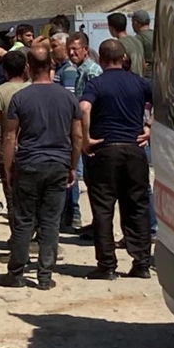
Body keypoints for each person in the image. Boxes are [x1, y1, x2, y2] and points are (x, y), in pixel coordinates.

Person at [0, 45, 83, 290]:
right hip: (57, 164)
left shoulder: (20, 97)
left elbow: (9, 137)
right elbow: (77, 136)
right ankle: (45, 276)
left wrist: (8, 168)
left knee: (24, 221)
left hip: (28, 163)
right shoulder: (68, 97)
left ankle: (15, 273)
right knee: (50, 222)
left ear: (28, 68)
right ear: (51, 66)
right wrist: (73, 166)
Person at [80, 39, 154, 280]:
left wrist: (86, 137)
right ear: (123, 58)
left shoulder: (96, 83)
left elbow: (83, 108)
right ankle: (141, 263)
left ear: (100, 60)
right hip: (134, 150)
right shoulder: (138, 82)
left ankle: (107, 265)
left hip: (105, 150)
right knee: (137, 207)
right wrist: (150, 126)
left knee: (103, 209)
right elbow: (164, 101)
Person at [63, 32, 103, 230]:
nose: (71, 53)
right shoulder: (80, 71)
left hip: (92, 133)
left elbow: (93, 106)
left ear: (85, 50)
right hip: (84, 131)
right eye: (69, 49)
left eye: (75, 49)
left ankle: (100, 225)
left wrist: (86, 135)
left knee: (96, 182)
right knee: (89, 179)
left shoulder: (92, 72)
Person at [0, 49, 29, 203]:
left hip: (9, 151)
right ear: (25, 68)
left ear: (4, 71)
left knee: (12, 200)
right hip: (32, 150)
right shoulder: (32, 88)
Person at [107, 12, 145, 78]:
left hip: (128, 81)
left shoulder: (118, 45)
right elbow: (144, 65)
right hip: (139, 81)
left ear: (111, 28)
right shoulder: (137, 41)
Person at [132, 10, 154, 78]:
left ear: (135, 23)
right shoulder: (156, 34)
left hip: (146, 74)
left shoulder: (138, 38)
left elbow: (137, 60)